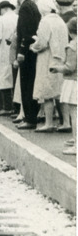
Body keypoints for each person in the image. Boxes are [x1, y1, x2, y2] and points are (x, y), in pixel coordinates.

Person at [30, 0, 68, 132]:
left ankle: (49, 123)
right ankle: (66, 123)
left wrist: (33, 46)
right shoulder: (60, 20)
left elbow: (42, 43)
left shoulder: (45, 21)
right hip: (61, 58)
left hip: (48, 58)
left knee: (47, 91)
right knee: (59, 92)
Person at [14, 0, 42, 130]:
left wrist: (21, 52)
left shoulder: (24, 8)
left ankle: (30, 119)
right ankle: (31, 116)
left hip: (27, 53)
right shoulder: (33, 6)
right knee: (31, 83)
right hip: (33, 52)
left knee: (26, 85)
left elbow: (26, 33)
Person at [51, 17, 76, 152]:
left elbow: (70, 67)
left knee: (75, 113)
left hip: (73, 82)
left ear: (70, 31)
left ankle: (76, 144)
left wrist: (57, 68)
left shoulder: (72, 46)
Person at [0, 1, 17, 116]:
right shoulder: (18, 17)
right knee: (14, 80)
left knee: (3, 79)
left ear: (3, 9)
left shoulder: (1, 20)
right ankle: (16, 108)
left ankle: (6, 107)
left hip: (2, 53)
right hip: (15, 52)